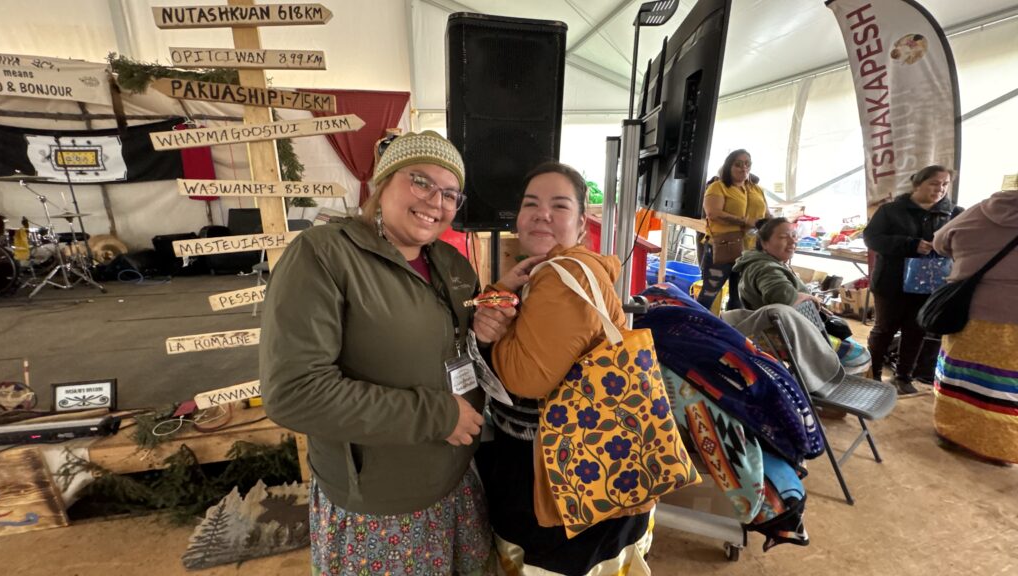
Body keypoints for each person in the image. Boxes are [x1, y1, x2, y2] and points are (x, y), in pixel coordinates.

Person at [260, 131, 514, 576]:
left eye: (451, 193)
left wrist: (484, 334)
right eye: (421, 181)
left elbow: (455, 350)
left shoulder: (452, 264)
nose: (437, 201)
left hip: (456, 481)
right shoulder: (323, 255)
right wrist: (436, 416)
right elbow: (294, 393)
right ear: (382, 183)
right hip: (381, 508)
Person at [477, 162, 654, 575]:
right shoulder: (544, 274)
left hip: (566, 494)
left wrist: (491, 323)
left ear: (580, 225)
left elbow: (525, 378)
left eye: (559, 205)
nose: (542, 214)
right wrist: (503, 294)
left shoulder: (564, 275)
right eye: (530, 204)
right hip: (591, 482)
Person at [931, 189, 1018, 466]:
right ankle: (998, 446)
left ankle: (951, 432)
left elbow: (940, 242)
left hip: (966, 308)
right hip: (1012, 321)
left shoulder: (981, 209)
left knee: (959, 373)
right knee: (1003, 385)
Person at [863, 165, 962, 395]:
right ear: (918, 184)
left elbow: (964, 243)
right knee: (884, 328)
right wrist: (910, 244)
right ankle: (873, 373)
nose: (940, 189)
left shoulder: (955, 213)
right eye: (934, 183)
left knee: (916, 330)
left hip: (929, 284)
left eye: (945, 184)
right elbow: (872, 238)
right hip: (891, 281)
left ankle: (903, 376)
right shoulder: (891, 211)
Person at [731, 217, 870, 377]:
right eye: (783, 237)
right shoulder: (766, 268)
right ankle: (818, 388)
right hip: (788, 337)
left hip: (789, 331)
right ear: (764, 243)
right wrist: (809, 298)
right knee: (861, 356)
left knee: (846, 340)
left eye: (794, 235)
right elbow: (783, 297)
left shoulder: (766, 261)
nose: (792, 242)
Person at [698, 150, 769, 311]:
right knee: (709, 294)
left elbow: (767, 215)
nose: (743, 167)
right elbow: (713, 213)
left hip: (749, 251)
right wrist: (745, 221)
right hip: (723, 248)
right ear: (729, 165)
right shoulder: (718, 187)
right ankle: (694, 327)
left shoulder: (756, 189)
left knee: (739, 296)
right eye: (738, 164)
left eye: (747, 163)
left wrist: (780, 226)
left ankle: (732, 329)